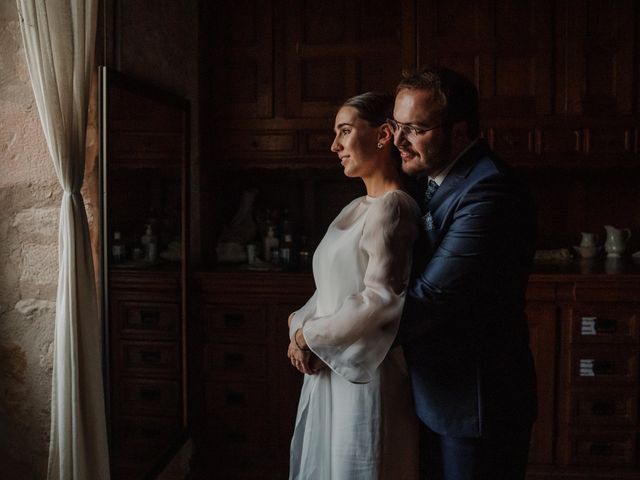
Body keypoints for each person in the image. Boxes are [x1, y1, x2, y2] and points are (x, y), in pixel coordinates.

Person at [391, 67, 537, 480]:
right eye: (396, 125)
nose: (399, 140)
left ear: (459, 131)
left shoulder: (490, 190)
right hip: (435, 396)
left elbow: (431, 298)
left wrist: (330, 337)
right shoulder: (428, 180)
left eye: (414, 129)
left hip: (476, 407)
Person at [287, 92, 420, 480]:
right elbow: (327, 287)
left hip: (365, 373)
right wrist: (298, 328)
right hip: (331, 363)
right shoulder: (356, 208)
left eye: (344, 131)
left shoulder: (394, 207)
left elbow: (379, 299)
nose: (335, 146)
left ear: (382, 135)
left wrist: (310, 337)